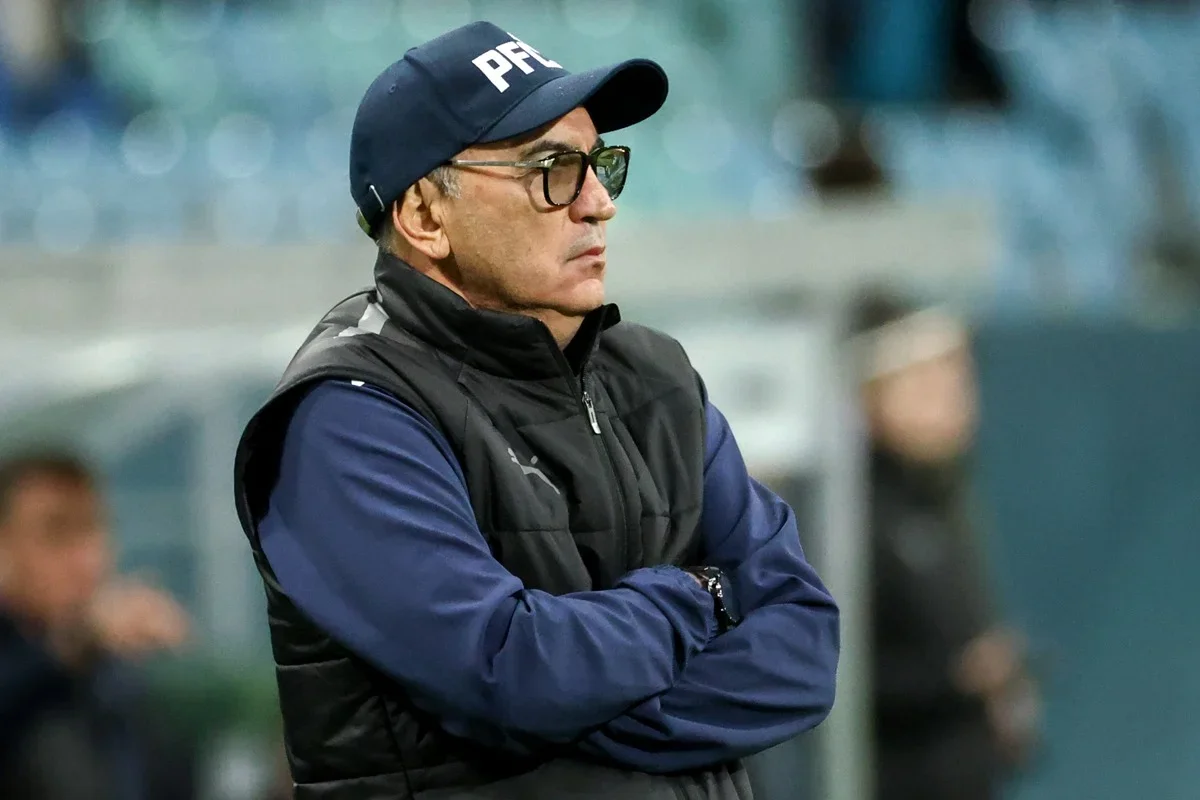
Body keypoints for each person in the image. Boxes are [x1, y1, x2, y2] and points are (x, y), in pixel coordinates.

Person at [232, 20, 840, 800]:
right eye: (552, 170)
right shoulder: (348, 415)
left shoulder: (656, 377)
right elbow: (514, 676)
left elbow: (805, 648)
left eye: (599, 165)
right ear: (425, 216)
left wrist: (581, 702)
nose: (598, 204)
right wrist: (699, 595)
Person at [848, 292, 1041, 800]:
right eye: (924, 380)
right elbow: (828, 677)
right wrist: (951, 680)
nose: (952, 395)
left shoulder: (947, 497)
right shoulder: (844, 517)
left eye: (958, 375)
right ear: (868, 395)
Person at [0, 449, 195, 800]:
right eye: (56, 533)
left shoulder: (114, 680)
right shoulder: (41, 669)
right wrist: (73, 644)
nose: (86, 559)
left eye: (93, 529)